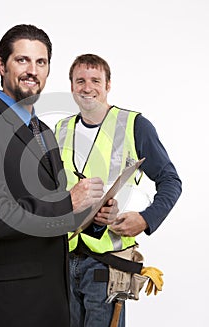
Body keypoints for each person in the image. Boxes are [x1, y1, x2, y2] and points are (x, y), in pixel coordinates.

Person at [0, 25, 118, 327]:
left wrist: (91, 214)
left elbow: (56, 214)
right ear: (1, 64)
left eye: (40, 63)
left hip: (54, 299)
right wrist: (67, 202)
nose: (33, 71)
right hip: (8, 303)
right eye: (22, 60)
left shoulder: (44, 132)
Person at [55, 54, 182, 327]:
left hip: (107, 266)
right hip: (62, 261)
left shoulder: (135, 125)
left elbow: (171, 180)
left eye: (95, 80)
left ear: (108, 84)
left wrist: (146, 219)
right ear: (71, 86)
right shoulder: (61, 129)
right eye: (80, 81)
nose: (87, 87)